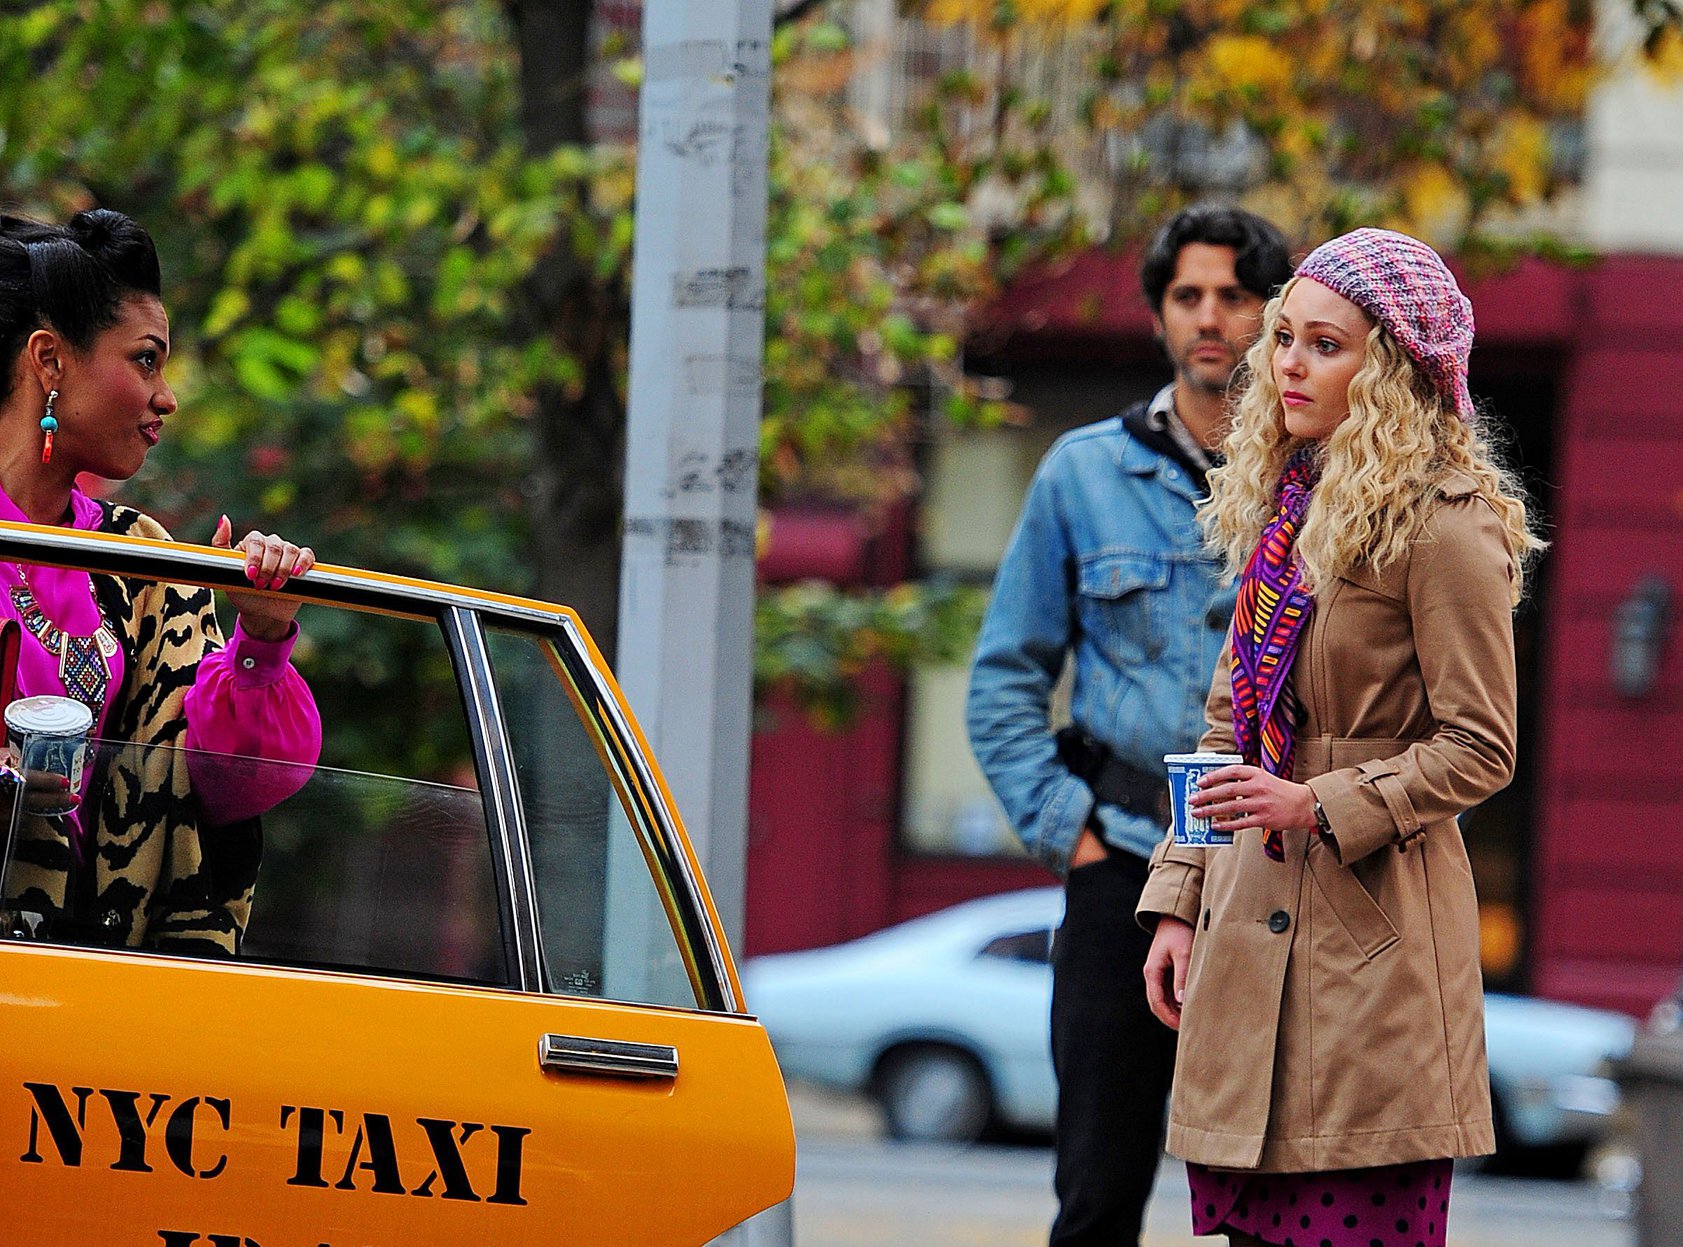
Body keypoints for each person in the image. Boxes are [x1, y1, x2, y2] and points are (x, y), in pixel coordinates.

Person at [1138, 228, 1546, 1247]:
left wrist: (1319, 802)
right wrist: (1180, 897)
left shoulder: (1448, 525)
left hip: (1373, 952)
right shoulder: (1289, 505)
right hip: (1244, 927)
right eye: (1285, 338)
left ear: (1393, 368)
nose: (1288, 363)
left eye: (1326, 344)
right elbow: (1229, 723)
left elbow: (1482, 744)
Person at [966, 204, 1293, 1247]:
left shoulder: (1320, 478)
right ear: (1158, 315)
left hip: (1271, 874)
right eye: (1188, 296)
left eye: (1236, 296)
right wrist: (1075, 832)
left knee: (1262, 1190)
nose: (1211, 318)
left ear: (1271, 313)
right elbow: (1003, 680)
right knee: (1098, 1193)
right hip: (1125, 865)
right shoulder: (1082, 474)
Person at [0, 207, 322, 956]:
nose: (167, 396)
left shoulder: (144, 559)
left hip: (111, 993)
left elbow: (234, 789)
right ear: (50, 361)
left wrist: (264, 633)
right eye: (146, 360)